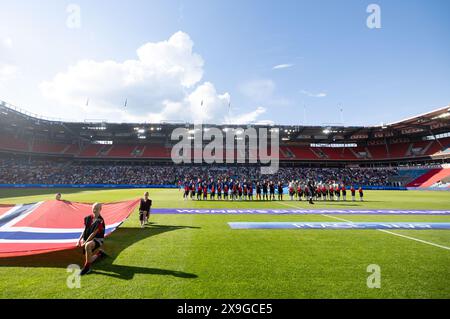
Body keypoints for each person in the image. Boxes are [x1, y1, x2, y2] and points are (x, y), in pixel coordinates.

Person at [78, 203, 106, 276]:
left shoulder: (100, 220)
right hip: (88, 238)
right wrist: (79, 240)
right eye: (93, 208)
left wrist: (85, 242)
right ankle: (99, 254)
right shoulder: (88, 218)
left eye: (96, 208)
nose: (94, 210)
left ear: (100, 209)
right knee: (89, 259)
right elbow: (85, 229)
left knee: (87, 245)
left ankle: (87, 268)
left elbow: (93, 234)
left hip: (98, 239)